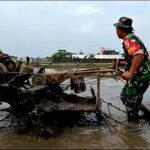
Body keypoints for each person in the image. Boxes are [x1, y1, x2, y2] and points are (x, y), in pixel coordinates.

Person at [113, 16, 150, 121]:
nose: (116, 31)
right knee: (124, 97)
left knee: (130, 107)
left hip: (139, 77)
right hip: (137, 76)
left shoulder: (128, 38)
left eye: (116, 29)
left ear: (121, 29)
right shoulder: (131, 38)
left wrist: (130, 73)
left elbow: (139, 55)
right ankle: (143, 113)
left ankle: (133, 131)